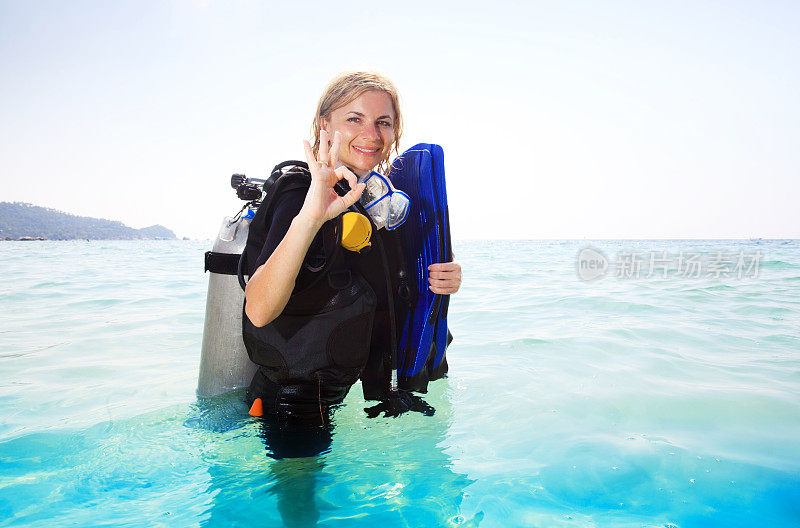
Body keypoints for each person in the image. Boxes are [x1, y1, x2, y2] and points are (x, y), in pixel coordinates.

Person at [241, 71, 461, 458]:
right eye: (354, 119)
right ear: (325, 126)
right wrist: (312, 214)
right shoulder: (299, 194)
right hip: (297, 404)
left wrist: (444, 278)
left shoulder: (375, 200)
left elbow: (387, 288)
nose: (371, 134)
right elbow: (258, 309)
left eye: (383, 122)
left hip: (351, 394)